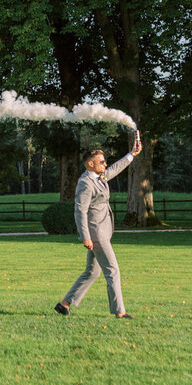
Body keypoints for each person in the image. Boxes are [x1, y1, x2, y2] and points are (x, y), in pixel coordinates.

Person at [55, 135, 144, 319]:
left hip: (102, 231)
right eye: (101, 162)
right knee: (112, 270)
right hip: (96, 234)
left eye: (104, 162)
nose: (105, 164)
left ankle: (64, 304)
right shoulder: (85, 183)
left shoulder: (99, 177)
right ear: (90, 165)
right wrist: (85, 236)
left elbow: (115, 169)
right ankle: (120, 312)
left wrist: (132, 154)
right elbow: (80, 210)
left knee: (92, 271)